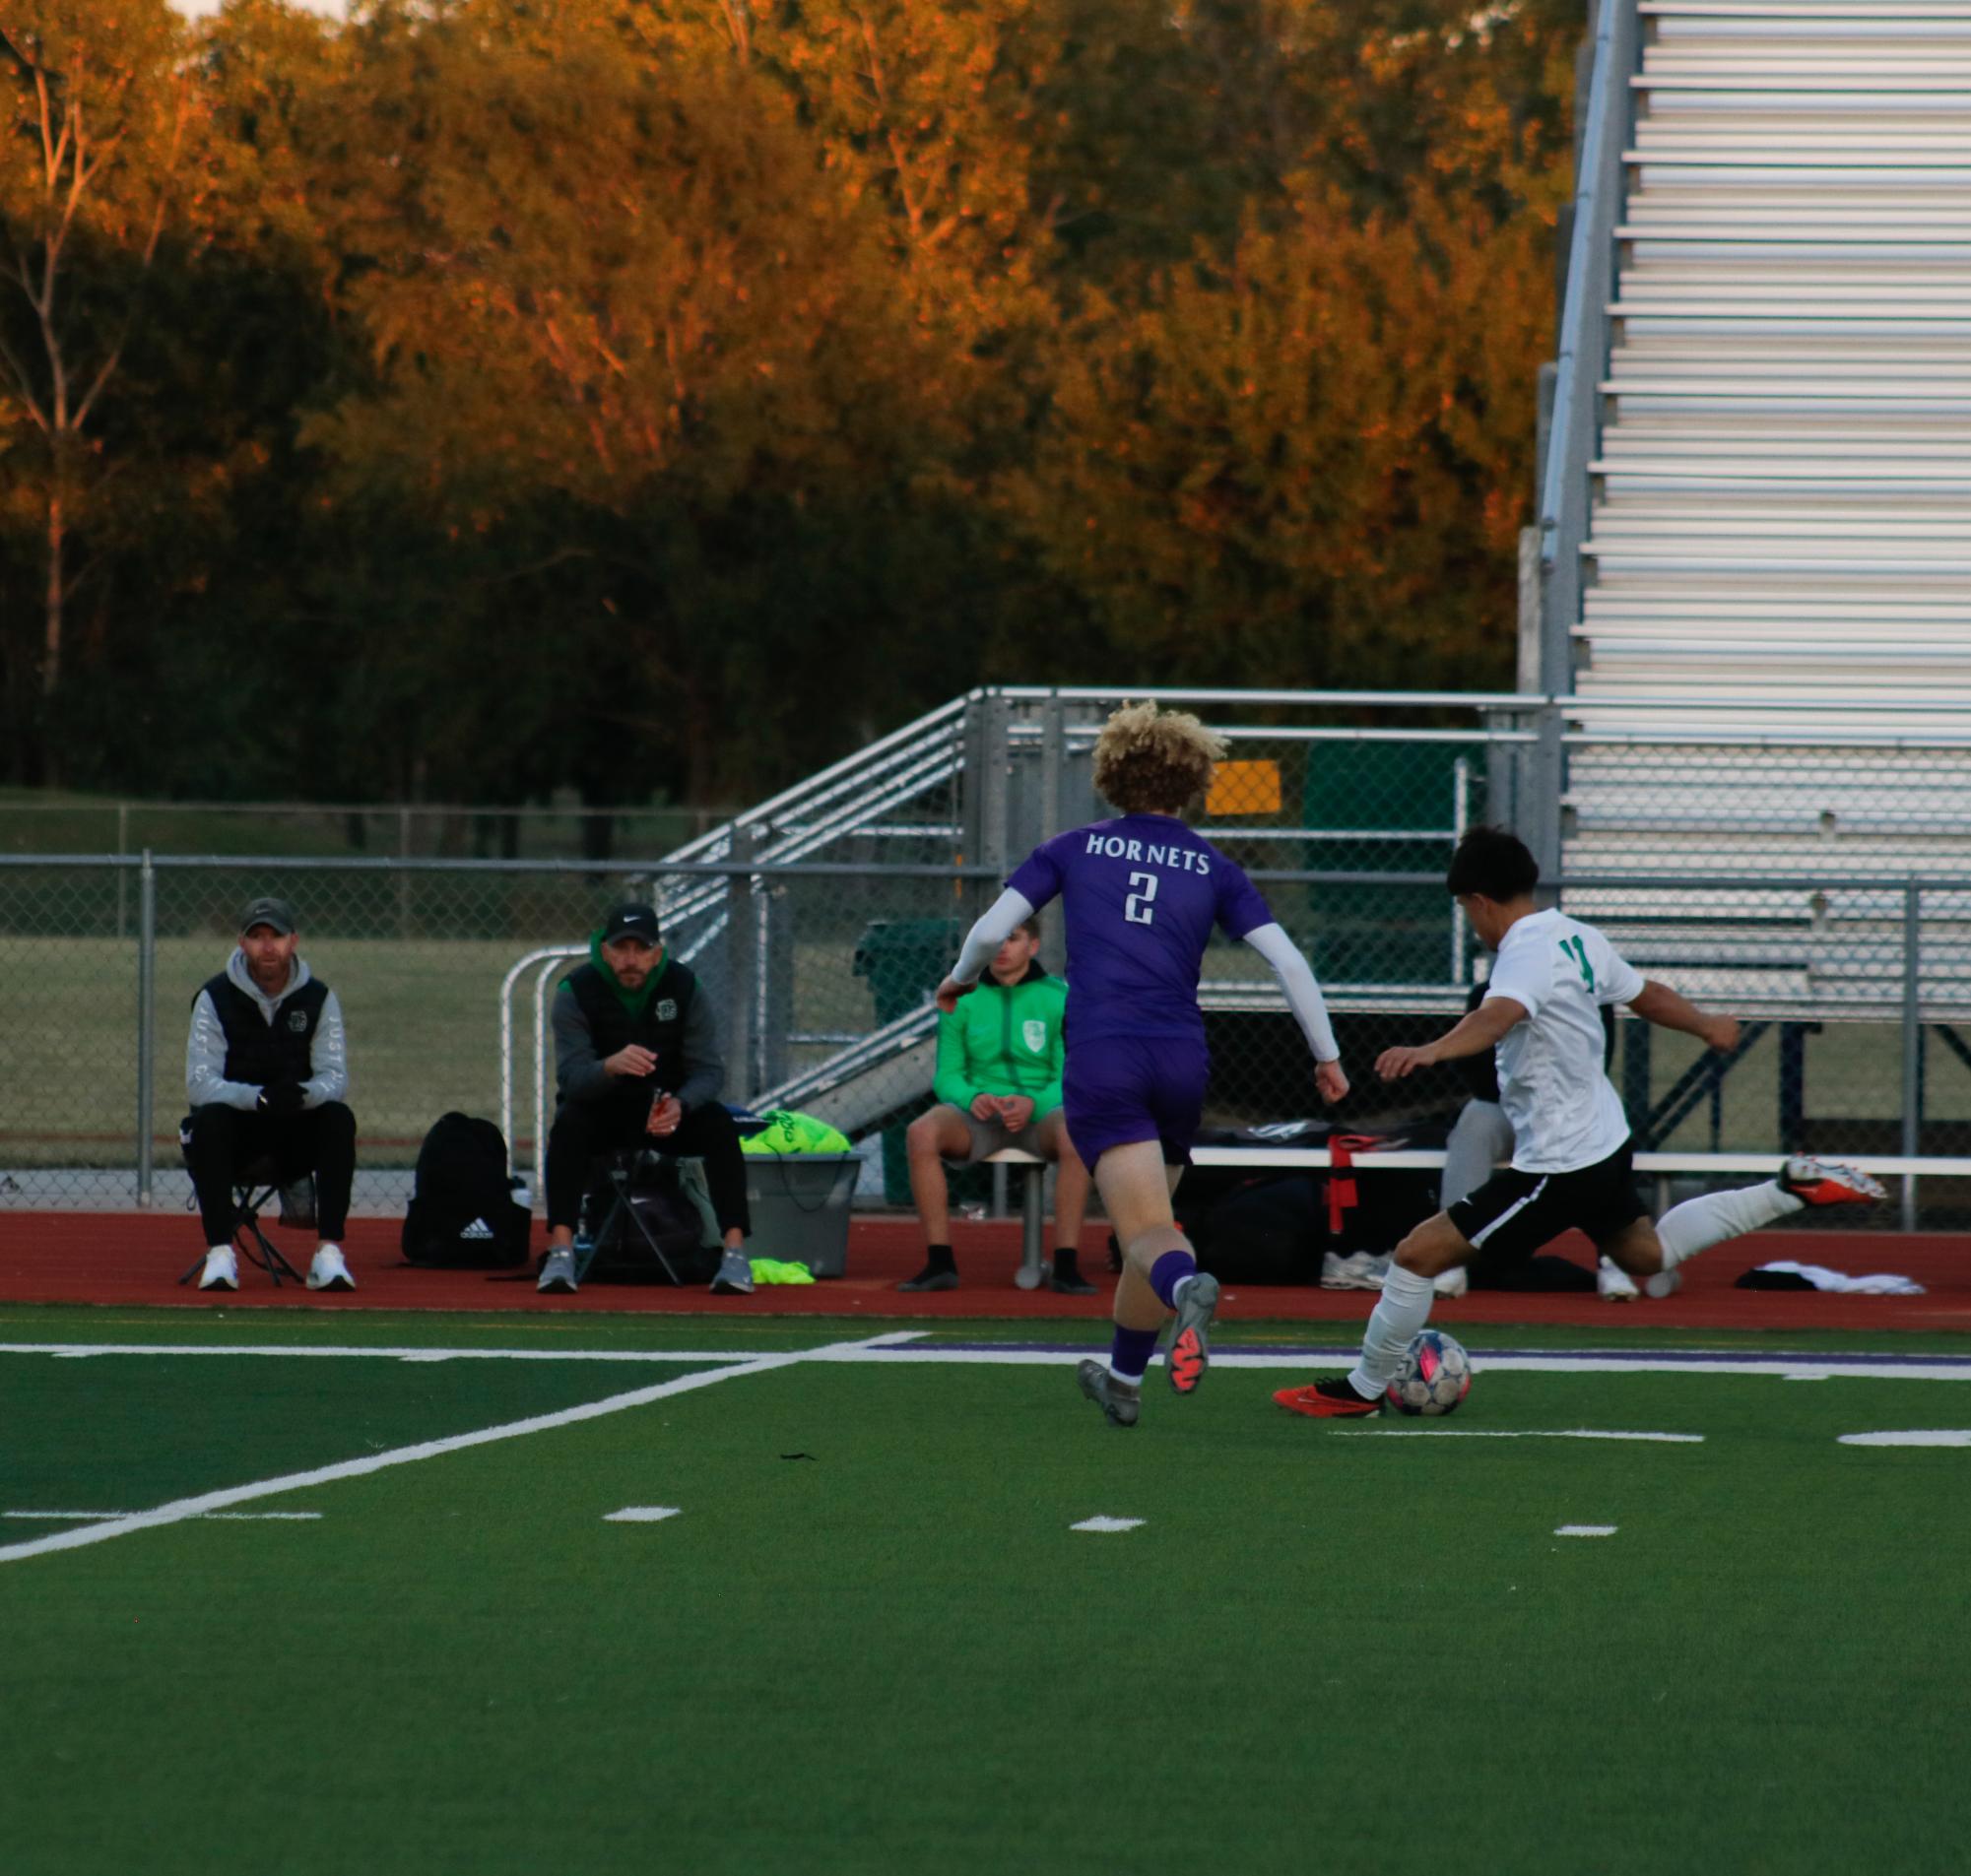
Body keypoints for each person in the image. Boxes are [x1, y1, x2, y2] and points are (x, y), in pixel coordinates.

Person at [1277, 826, 1884, 1419]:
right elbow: (1644, 994)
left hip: (1559, 1164)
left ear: (1480, 901)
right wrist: (1704, 1024)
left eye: (1466, 909)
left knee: (1415, 1255)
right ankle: (1788, 1189)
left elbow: (1498, 1015)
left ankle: (1361, 1389)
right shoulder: (1577, 936)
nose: (1471, 923)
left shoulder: (1523, 954)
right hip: (1604, 1142)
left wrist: (1431, 1050)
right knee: (1648, 1256)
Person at [934, 701, 1349, 1428]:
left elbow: (991, 928)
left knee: (1154, 1238)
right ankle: (1124, 1379)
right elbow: (1288, 962)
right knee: (1143, 1232)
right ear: (1190, 781)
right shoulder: (1215, 865)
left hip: (1106, 1056)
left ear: (1108, 774)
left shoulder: (1071, 847)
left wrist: (962, 977)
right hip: (1180, 1059)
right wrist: (1327, 1056)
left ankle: (1187, 1283)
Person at [538, 902, 754, 1298]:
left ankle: (735, 1253)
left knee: (720, 1125)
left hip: (666, 1113)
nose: (631, 960)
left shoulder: (686, 987)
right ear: (604, 950)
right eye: (621, 949)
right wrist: (611, 1066)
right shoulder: (575, 992)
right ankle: (561, 1250)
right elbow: (570, 1079)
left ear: (657, 952)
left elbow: (709, 1071)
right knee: (568, 1124)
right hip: (603, 1113)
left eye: (641, 949)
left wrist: (680, 1105)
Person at [898, 913, 1095, 1295]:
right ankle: (940, 1263)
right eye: (995, 941)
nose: (1002, 948)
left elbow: (1072, 1074)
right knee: (921, 1132)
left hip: (1042, 1117)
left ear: (1033, 946)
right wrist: (974, 1098)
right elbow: (947, 1075)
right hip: (979, 1117)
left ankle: (1067, 1266)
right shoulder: (960, 997)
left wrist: (1032, 1103)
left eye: (1014, 938)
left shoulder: (1061, 997)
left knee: (1077, 1134)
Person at [183, 895, 357, 1293]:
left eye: (275, 936)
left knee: (338, 1119)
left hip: (295, 1132)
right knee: (207, 1120)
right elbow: (199, 1083)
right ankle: (220, 1254)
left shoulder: (319, 999)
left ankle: (329, 1254)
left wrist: (302, 1096)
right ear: (241, 943)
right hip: (237, 1135)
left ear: (293, 941)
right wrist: (257, 1098)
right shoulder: (213, 998)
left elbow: (335, 1078)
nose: (267, 947)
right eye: (256, 936)